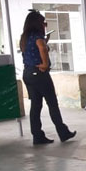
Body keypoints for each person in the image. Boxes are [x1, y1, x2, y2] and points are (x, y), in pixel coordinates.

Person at [19, 10, 76, 145]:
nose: (45, 25)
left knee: (36, 105)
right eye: (43, 22)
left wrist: (45, 41)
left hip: (28, 73)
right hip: (39, 73)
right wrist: (45, 64)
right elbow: (42, 48)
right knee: (52, 103)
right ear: (37, 23)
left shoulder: (25, 37)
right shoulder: (38, 36)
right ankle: (63, 132)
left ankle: (37, 136)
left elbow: (35, 48)